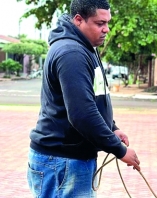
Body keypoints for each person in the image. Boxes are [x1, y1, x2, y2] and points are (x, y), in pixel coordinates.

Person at [26, 0, 141, 197]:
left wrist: (111, 127)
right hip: (62, 161)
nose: (106, 29)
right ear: (78, 20)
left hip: (71, 160)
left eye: (107, 23)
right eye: (99, 23)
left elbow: (93, 97)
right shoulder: (72, 53)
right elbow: (82, 114)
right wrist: (119, 151)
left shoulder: (86, 47)